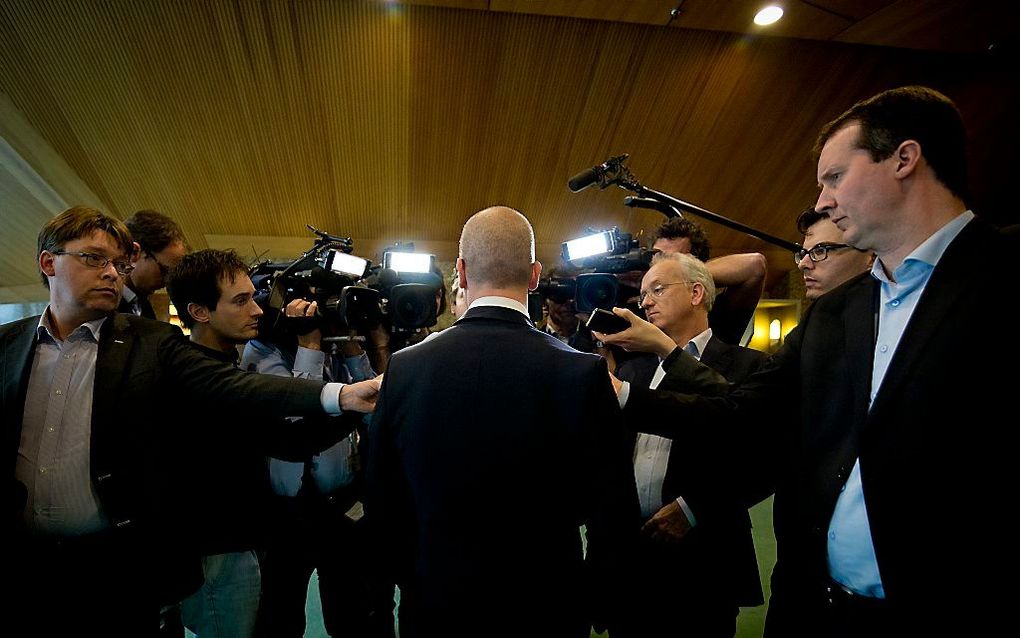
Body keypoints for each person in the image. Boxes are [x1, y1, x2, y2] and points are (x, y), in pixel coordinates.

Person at [600, 86, 1018, 636]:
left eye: (835, 177)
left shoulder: (1011, 276)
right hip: (817, 609)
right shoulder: (834, 315)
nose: (821, 200)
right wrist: (624, 397)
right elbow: (742, 412)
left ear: (904, 159)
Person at [2, 206, 380, 636]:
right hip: (31, 565)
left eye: (120, 264)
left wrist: (344, 394)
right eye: (94, 258)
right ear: (49, 262)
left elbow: (238, 390)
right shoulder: (8, 346)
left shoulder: (150, 343)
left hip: (115, 563)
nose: (112, 273)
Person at [365, 206, 636, 638]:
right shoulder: (582, 372)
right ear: (533, 275)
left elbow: (383, 501)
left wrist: (404, 586)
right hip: (547, 608)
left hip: (436, 605)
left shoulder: (406, 368)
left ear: (462, 272)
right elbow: (613, 509)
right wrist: (598, 602)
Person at [603, 251, 765, 637]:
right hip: (633, 562)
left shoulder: (748, 367)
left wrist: (695, 508)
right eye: (642, 294)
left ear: (696, 293)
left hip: (703, 558)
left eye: (657, 289)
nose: (645, 302)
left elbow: (758, 457)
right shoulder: (633, 369)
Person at [241, 299, 392, 638]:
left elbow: (375, 399)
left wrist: (351, 346)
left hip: (340, 504)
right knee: (281, 614)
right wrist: (308, 346)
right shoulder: (262, 349)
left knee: (351, 611)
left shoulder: (337, 348)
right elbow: (294, 411)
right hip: (287, 511)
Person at [650, 217, 766, 344]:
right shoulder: (640, 304)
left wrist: (687, 272)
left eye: (673, 260)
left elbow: (755, 266)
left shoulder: (716, 317)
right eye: (658, 257)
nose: (659, 268)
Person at [120, 209, 188, 319]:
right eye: (164, 270)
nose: (166, 281)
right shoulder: (100, 306)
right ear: (134, 252)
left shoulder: (143, 306)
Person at [795, 207, 873, 300]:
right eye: (804, 254)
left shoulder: (888, 311)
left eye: (820, 250)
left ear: (872, 257)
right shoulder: (814, 313)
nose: (802, 264)